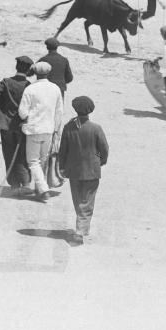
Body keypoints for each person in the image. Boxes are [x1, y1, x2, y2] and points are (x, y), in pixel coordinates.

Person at [57, 95, 109, 244]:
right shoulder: (96, 128)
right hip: (92, 170)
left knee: (77, 199)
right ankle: (80, 230)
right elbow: (104, 149)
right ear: (90, 110)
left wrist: (62, 167)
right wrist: (100, 160)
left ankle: (80, 226)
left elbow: (63, 150)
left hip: (73, 170)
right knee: (87, 201)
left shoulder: (68, 127)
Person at [0, 56, 34, 194]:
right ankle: (27, 183)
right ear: (29, 69)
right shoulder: (29, 85)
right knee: (22, 153)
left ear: (16, 67)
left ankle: (14, 185)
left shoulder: (5, 82)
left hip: (5, 125)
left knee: (8, 153)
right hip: (21, 125)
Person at [18, 62, 64, 202]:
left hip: (33, 129)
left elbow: (22, 112)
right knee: (43, 160)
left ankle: (43, 190)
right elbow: (59, 111)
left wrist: (25, 118)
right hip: (49, 129)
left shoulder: (30, 89)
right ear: (48, 73)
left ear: (35, 73)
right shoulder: (55, 88)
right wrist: (56, 129)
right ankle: (40, 188)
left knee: (33, 161)